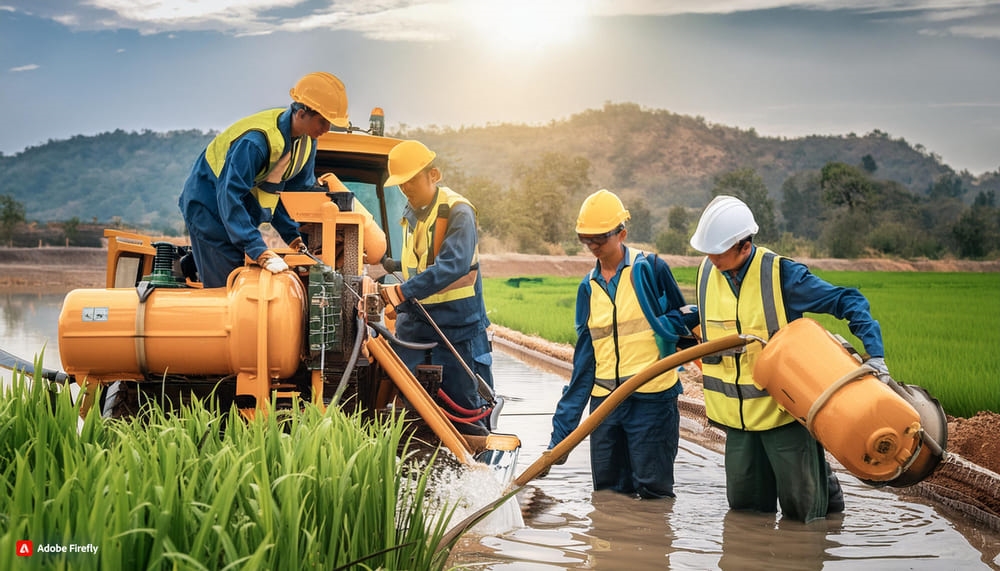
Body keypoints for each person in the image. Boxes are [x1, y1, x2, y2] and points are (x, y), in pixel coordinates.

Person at [688, 194, 888, 523]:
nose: (711, 258)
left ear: (744, 245)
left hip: (785, 414)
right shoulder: (708, 273)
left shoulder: (781, 276)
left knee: (803, 513)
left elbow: (846, 300)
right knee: (744, 511)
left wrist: (875, 355)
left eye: (719, 251)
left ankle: (824, 493)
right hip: (738, 422)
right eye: (707, 250)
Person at [546, 189, 698, 498]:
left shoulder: (651, 270)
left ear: (622, 233)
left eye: (599, 239)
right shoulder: (588, 288)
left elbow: (684, 325)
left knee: (653, 494)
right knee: (607, 495)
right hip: (605, 407)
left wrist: (671, 328)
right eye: (585, 239)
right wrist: (562, 435)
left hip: (651, 402)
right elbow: (584, 363)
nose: (592, 247)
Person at [178, 72, 349, 288]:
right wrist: (258, 249)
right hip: (209, 208)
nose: (327, 129)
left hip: (235, 212)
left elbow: (290, 200)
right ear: (302, 113)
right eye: (323, 121)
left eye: (330, 123)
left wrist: (296, 238)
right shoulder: (256, 142)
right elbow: (229, 195)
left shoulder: (307, 143)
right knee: (229, 288)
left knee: (240, 280)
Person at [378, 140, 495, 436]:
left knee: (465, 416)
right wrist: (389, 266)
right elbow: (415, 264)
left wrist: (401, 293)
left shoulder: (458, 211)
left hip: (457, 329)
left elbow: (452, 265)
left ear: (434, 174)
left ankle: (474, 474)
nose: (406, 189)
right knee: (413, 415)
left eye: (411, 181)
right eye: (401, 184)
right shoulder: (409, 214)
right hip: (416, 327)